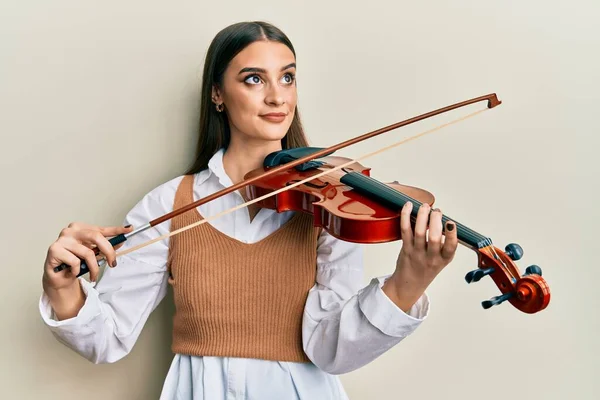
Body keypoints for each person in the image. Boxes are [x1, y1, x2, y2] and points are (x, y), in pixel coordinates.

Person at [39, 21, 458, 399]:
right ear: (218, 94)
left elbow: (333, 351)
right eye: (254, 79)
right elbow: (108, 338)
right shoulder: (169, 202)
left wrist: (408, 282)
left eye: (288, 77)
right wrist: (62, 289)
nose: (277, 96)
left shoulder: (329, 204)